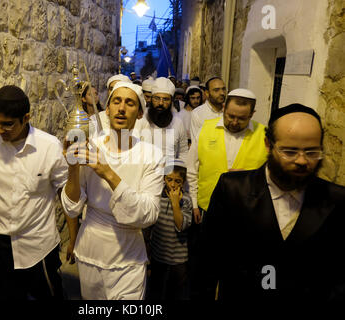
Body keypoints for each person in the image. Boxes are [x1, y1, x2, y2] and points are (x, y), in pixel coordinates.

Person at [199, 104, 345, 302]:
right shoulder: (233, 190)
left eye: (311, 152)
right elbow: (207, 263)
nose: (302, 161)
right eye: (290, 151)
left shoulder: (335, 199)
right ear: (268, 144)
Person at [0, 85, 78, 300]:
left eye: (7, 124)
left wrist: (73, 238)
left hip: (39, 245)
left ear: (26, 118)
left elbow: (67, 197)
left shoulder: (49, 147)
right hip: (1, 246)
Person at [60, 81, 165, 300]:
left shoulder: (151, 155)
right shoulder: (91, 146)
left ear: (139, 114)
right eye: (116, 101)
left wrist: (107, 172)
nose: (121, 108)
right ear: (107, 110)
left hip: (128, 255)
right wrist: (72, 168)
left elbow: (148, 214)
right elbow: (72, 207)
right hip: (91, 250)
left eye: (129, 103)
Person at [186, 88, 267, 299]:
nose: (234, 122)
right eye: (230, 116)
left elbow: (271, 177)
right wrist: (194, 203)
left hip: (246, 217)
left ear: (252, 114)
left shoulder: (264, 135)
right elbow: (192, 170)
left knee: (237, 275)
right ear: (223, 109)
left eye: (241, 118)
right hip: (207, 212)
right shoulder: (206, 129)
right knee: (204, 270)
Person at [148, 159, 193, 300]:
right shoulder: (156, 196)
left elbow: (181, 226)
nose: (172, 185)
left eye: (177, 181)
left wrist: (175, 204)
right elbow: (150, 223)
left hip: (178, 259)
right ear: (164, 179)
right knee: (155, 290)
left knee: (175, 294)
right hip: (158, 254)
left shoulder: (186, 200)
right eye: (169, 179)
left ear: (183, 182)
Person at [140, 77, 189, 164]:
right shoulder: (141, 118)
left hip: (169, 173)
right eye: (157, 98)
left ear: (171, 101)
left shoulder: (178, 122)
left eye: (165, 99)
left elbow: (183, 152)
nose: (160, 103)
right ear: (151, 99)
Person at [189, 77, 226, 143]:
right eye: (216, 90)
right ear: (207, 93)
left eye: (223, 89)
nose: (222, 93)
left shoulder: (229, 111)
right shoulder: (198, 113)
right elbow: (197, 142)